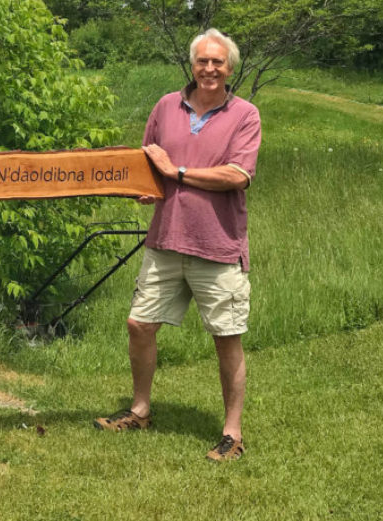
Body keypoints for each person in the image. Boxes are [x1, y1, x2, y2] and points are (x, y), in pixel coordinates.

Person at [94, 28, 262, 463]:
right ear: (192, 63)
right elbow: (149, 161)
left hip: (217, 245)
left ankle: (232, 433)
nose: (209, 69)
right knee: (139, 324)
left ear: (230, 68)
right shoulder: (166, 106)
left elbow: (237, 176)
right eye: (202, 61)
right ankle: (140, 411)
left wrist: (179, 173)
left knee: (226, 337)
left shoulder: (245, 114)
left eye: (218, 62)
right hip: (165, 240)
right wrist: (146, 187)